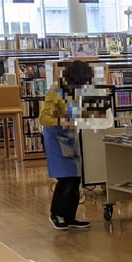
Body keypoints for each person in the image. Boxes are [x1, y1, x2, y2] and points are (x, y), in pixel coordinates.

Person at [40, 59, 94, 230]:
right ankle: (57, 214)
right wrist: (61, 121)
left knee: (75, 177)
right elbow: (43, 118)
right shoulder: (54, 93)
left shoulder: (75, 93)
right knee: (65, 178)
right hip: (56, 139)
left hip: (70, 138)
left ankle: (70, 216)